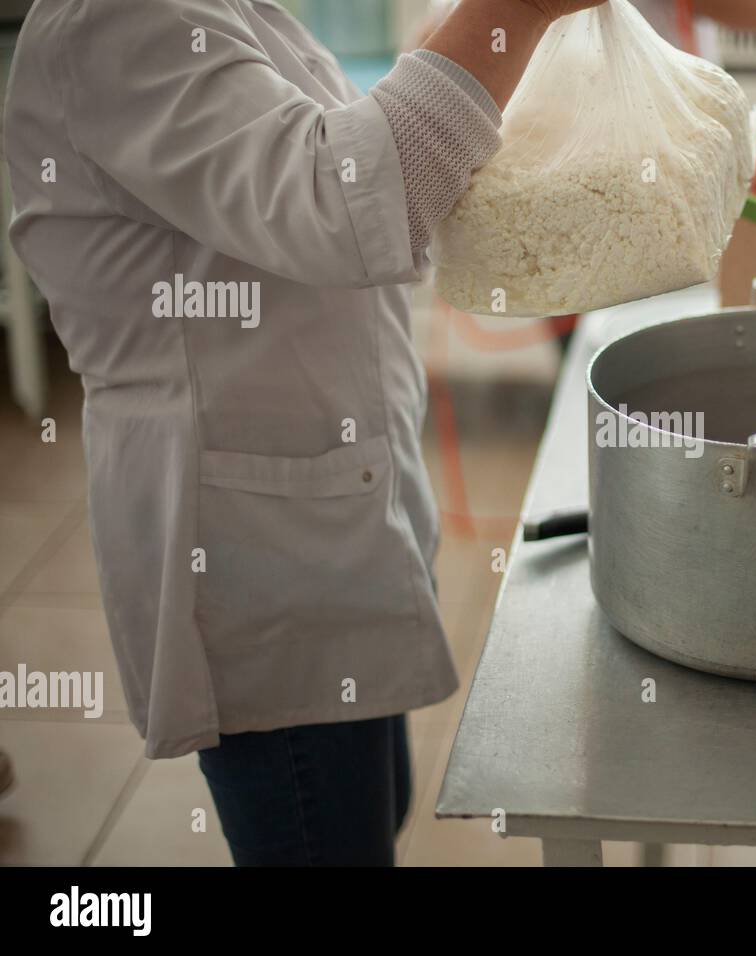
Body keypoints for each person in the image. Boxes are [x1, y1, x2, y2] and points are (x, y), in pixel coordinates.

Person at [5, 0, 602, 866]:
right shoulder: (122, 19)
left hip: (334, 506)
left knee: (368, 807)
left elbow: (332, 158)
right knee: (320, 833)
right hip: (256, 557)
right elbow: (341, 200)